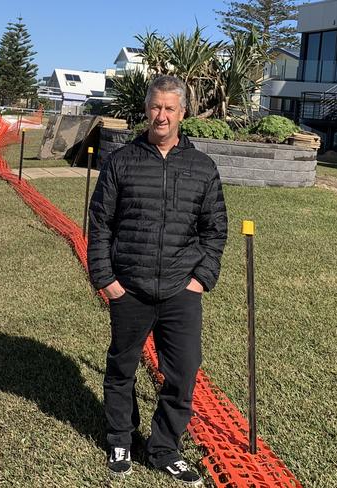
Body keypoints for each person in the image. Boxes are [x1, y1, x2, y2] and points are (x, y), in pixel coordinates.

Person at [87, 75, 228, 486]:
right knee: (122, 367)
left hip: (181, 291)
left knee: (183, 371)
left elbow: (214, 229)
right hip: (128, 287)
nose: (161, 115)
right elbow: (99, 224)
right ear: (146, 110)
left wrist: (201, 278)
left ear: (183, 112)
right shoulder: (122, 161)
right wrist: (106, 278)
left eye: (170, 108)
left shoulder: (202, 168)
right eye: (155, 107)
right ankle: (120, 438)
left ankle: (165, 447)